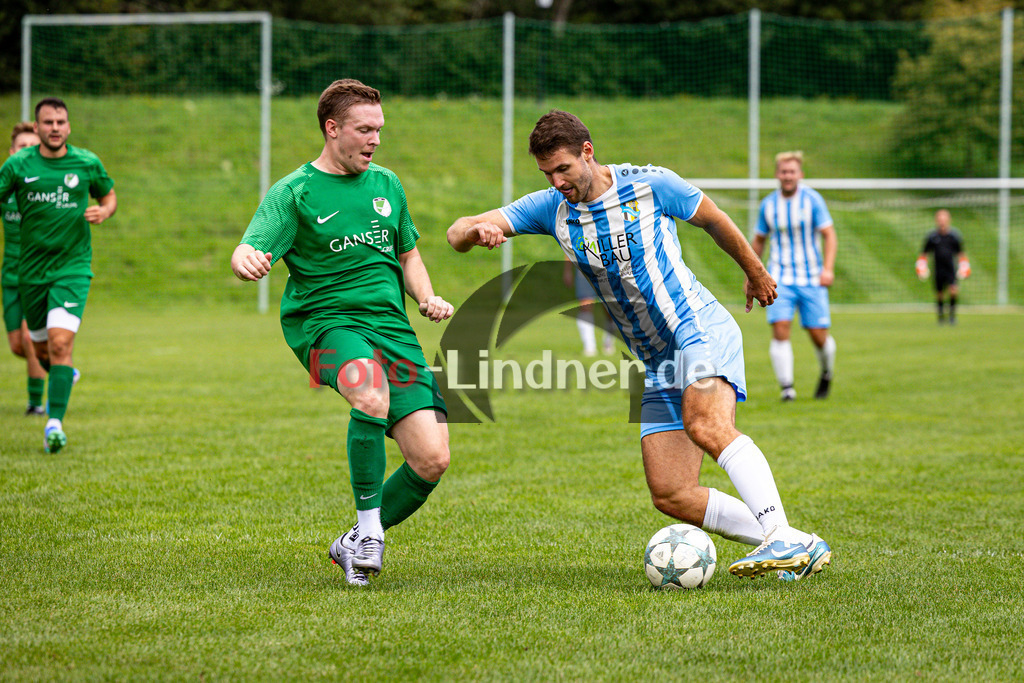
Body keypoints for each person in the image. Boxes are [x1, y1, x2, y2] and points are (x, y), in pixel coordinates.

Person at [447, 110, 831, 581]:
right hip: (656, 359)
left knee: (706, 423)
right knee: (671, 492)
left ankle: (782, 536)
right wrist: (474, 232)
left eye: (563, 168)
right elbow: (456, 231)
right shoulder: (550, 208)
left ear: (588, 152)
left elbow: (713, 219)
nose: (557, 181)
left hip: (697, 328)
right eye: (547, 173)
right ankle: (797, 542)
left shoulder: (650, 184)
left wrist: (755, 272)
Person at [232, 79, 454, 587]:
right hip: (328, 324)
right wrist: (246, 258)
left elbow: (408, 252)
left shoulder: (387, 184)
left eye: (379, 129)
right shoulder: (296, 191)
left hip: (392, 329)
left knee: (432, 459)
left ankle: (352, 540)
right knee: (370, 394)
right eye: (364, 129)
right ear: (332, 129)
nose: (374, 140)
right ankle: (372, 534)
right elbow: (249, 245)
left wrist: (424, 296)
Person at [0, 99, 116, 452]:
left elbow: (108, 195)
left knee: (61, 342)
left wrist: (105, 212)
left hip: (72, 268)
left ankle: (53, 423)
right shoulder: (18, 165)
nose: (54, 127)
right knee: (37, 348)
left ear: (68, 126)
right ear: (36, 129)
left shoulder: (86, 162)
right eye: (47, 122)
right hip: (31, 272)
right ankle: (63, 377)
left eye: (60, 121)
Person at [751, 151, 837, 401]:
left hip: (811, 278)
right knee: (780, 329)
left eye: (792, 171)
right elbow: (758, 240)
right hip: (779, 278)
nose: (787, 176)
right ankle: (787, 388)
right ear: (777, 174)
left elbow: (829, 234)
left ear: (800, 174)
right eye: (783, 171)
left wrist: (828, 269)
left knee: (818, 335)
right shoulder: (768, 204)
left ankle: (826, 371)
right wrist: (752, 272)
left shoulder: (813, 200)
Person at [2, 122, 47, 415]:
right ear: (11, 151)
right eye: (22, 146)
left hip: (37, 274)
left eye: (33, 146)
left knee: (30, 338)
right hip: (9, 276)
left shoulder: (44, 186)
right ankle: (60, 367)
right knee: (18, 346)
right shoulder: (6, 185)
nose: (27, 152)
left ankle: (36, 404)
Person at [917, 209, 968, 325]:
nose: (942, 222)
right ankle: (940, 316)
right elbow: (924, 253)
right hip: (938, 268)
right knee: (939, 293)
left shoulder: (954, 236)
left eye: (944, 219)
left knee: (953, 290)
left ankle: (952, 316)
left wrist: (964, 266)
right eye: (940, 219)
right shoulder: (932, 237)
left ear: (948, 220)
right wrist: (921, 266)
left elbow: (961, 254)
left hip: (950, 268)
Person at [564, 254, 615, 356]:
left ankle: (608, 340)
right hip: (584, 268)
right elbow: (569, 244)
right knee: (585, 305)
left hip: (606, 267)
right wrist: (567, 270)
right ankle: (589, 347)